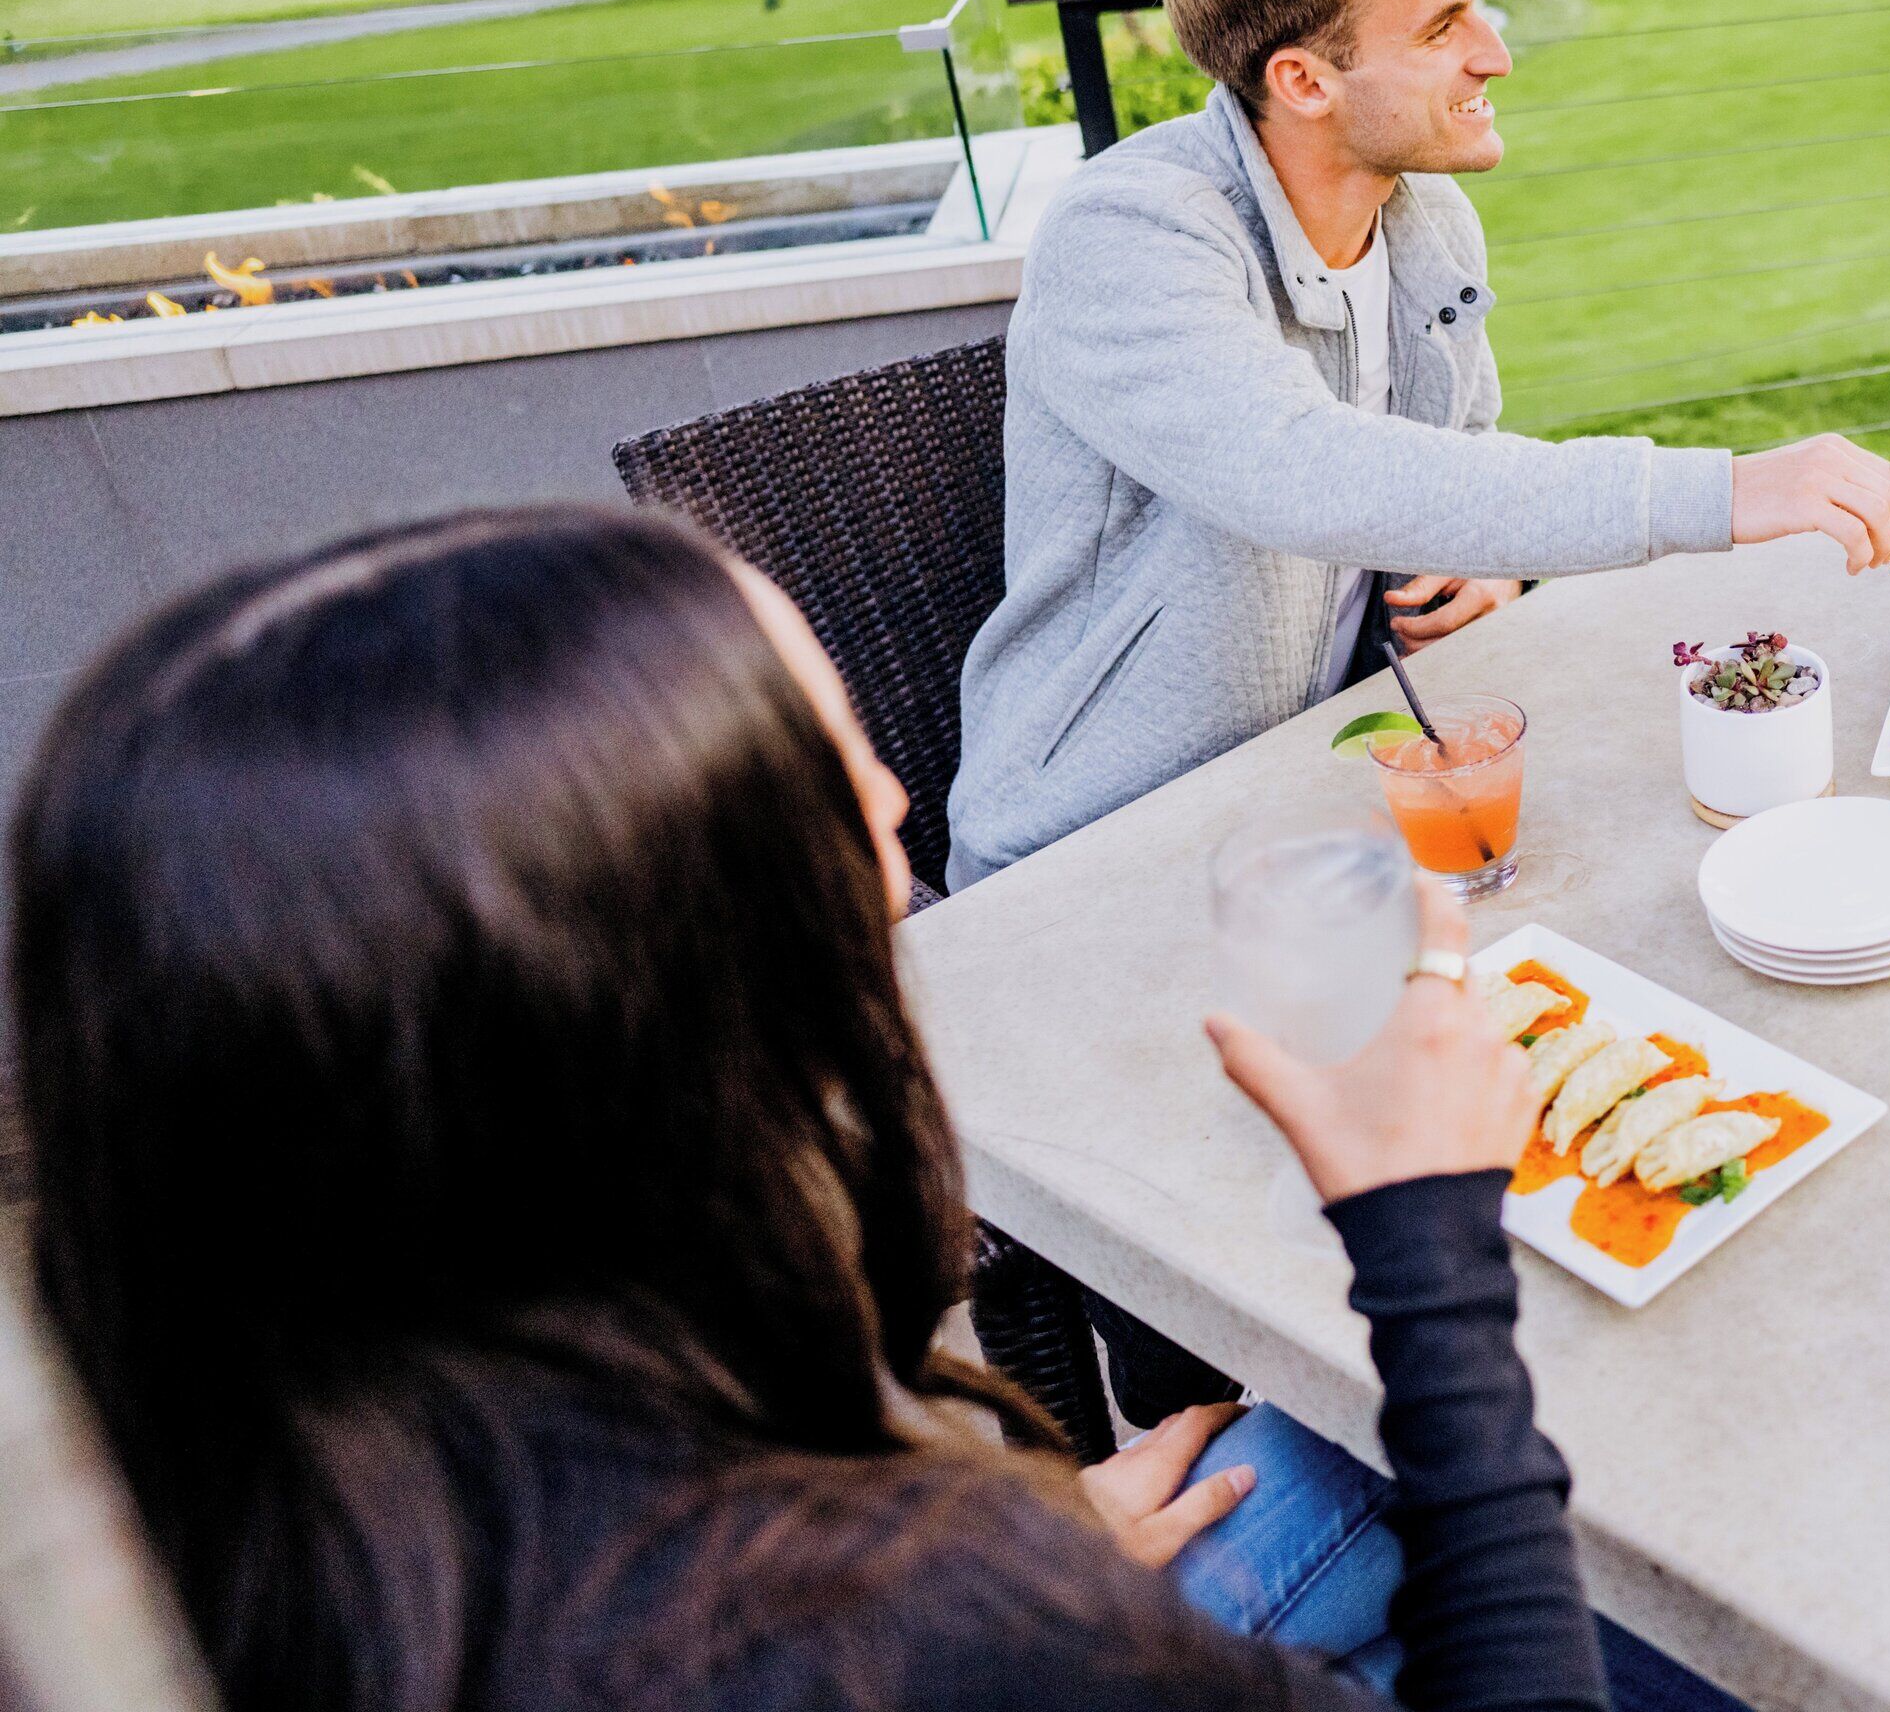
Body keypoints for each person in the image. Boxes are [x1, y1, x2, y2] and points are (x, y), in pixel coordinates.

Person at [3, 505, 1675, 1712]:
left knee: (1299, 1472)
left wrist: (1032, 1524)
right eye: (842, 802)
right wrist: (1427, 1248)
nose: (893, 812)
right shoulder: (922, 1638)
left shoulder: (218, 1506)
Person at [950, 0, 1890, 891]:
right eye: (1442, 28)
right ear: (1304, 80)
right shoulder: (1130, 233)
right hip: (1093, 853)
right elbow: (1302, 470)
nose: (1495, 55)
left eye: (1476, 10)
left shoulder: (1426, 219)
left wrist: (1488, 561)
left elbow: (1452, 456)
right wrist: (1726, 490)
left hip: (1317, 800)